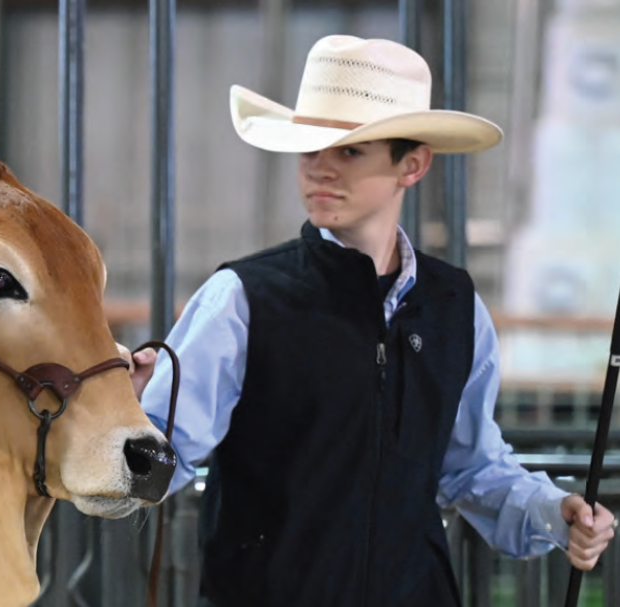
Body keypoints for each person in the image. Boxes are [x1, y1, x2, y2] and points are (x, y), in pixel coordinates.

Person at [127, 35, 616, 606]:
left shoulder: (455, 306)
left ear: (413, 164)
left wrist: (555, 513)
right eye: (310, 148)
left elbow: (472, 465)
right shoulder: (242, 299)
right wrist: (121, 419)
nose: (320, 169)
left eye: (350, 151)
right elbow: (152, 467)